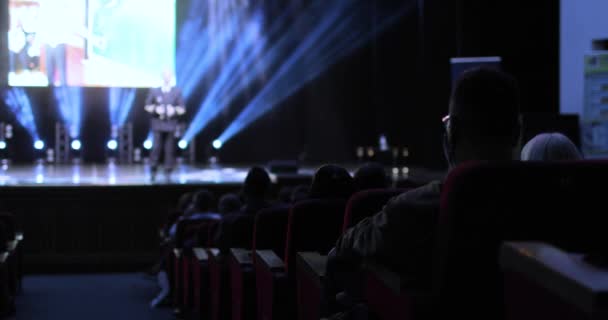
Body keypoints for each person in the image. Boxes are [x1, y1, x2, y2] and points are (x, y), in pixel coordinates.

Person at [324, 67, 522, 318]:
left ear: (452, 133)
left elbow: (351, 245)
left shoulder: (422, 207)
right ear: (517, 132)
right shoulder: (551, 202)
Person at [145, 71, 186, 182]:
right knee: (156, 147)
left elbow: (182, 109)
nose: (167, 77)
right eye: (165, 75)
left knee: (169, 148)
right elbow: (147, 106)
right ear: (162, 77)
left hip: (171, 124)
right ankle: (153, 169)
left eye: (169, 75)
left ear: (172, 77)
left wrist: (174, 110)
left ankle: (168, 170)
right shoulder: (155, 90)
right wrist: (156, 109)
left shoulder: (176, 91)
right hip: (157, 123)